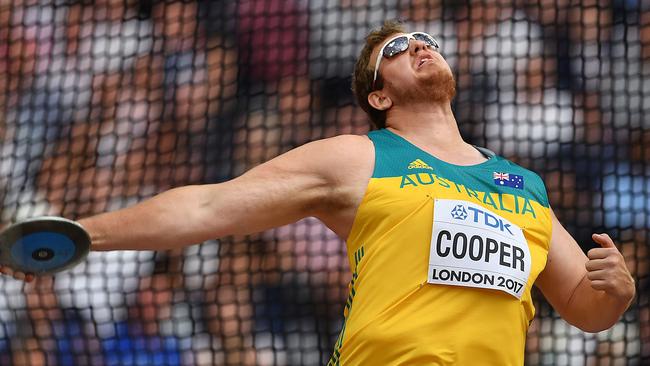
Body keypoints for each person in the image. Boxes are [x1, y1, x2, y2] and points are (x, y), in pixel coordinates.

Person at [0, 20, 636, 365]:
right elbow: (209, 205)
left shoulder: (523, 186)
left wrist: (616, 290)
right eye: (397, 46)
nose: (420, 44)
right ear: (378, 96)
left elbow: (586, 310)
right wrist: (83, 234)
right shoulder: (359, 157)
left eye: (427, 40)